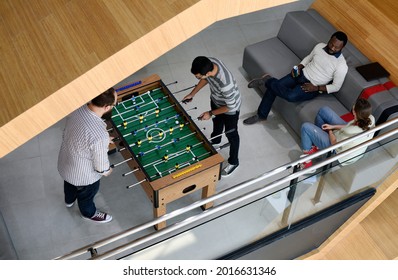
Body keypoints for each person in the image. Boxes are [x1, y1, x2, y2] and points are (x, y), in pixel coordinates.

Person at [243, 31, 348, 125]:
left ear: (342, 48)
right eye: (331, 44)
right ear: (329, 39)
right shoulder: (320, 46)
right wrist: (299, 66)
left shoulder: (341, 65)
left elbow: (336, 86)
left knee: (290, 96)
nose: (332, 48)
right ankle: (261, 115)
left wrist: (316, 88)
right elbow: (308, 58)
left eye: (336, 47)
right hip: (300, 74)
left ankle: (267, 80)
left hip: (311, 86)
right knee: (274, 88)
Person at [57, 88, 117, 223]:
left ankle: (69, 201)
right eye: (114, 104)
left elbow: (82, 133)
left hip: (66, 164)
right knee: (86, 196)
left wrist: (103, 140)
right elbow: (101, 167)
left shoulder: (77, 109)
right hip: (85, 177)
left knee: (69, 185)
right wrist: (108, 171)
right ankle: (88, 213)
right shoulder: (99, 135)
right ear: (107, 107)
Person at [182, 56, 241, 176]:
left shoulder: (226, 84)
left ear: (208, 72)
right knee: (217, 122)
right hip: (216, 100)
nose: (197, 78)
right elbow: (205, 79)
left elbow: (231, 106)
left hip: (231, 108)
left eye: (198, 76)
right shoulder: (210, 62)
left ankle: (234, 161)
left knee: (231, 134)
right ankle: (216, 141)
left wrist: (210, 113)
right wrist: (192, 94)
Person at [300, 98, 374, 168]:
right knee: (323, 110)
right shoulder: (369, 118)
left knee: (305, 127)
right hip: (343, 136)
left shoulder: (351, 135)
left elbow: (334, 143)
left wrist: (330, 131)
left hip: (337, 151)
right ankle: (318, 144)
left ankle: (307, 162)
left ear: (355, 112)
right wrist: (332, 126)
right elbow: (348, 127)